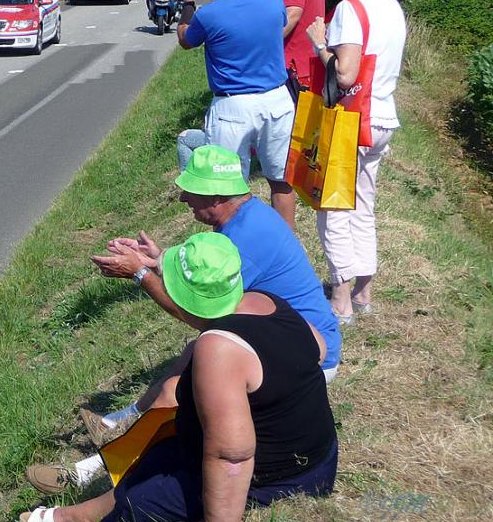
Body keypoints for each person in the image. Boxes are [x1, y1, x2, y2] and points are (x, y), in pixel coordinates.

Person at [25, 145, 341, 495]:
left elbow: (198, 316)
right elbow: (213, 294)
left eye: (190, 191)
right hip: (288, 340)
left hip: (307, 359)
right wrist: (161, 261)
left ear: (217, 196)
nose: (182, 199)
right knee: (194, 354)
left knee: (180, 389)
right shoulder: (248, 219)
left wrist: (141, 275)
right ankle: (118, 423)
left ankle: (93, 470)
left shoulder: (244, 238)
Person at [20, 233, 338, 522]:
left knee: (141, 502)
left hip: (284, 476)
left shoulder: (218, 348)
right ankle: (83, 514)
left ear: (186, 299)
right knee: (158, 454)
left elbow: (232, 455)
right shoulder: (266, 302)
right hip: (320, 452)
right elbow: (319, 348)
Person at [305, 0, 406, 322]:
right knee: (364, 204)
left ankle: (340, 300)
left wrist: (319, 45)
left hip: (352, 121)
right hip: (382, 117)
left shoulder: (350, 9)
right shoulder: (392, 6)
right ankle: (364, 293)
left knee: (334, 208)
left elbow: (345, 75)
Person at [178, 0, 296, 228]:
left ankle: (236, 245)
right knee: (281, 181)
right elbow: (277, 25)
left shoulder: (209, 13)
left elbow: (185, 39)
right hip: (277, 99)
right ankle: (285, 243)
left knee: (227, 186)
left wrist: (188, 2)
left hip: (233, 106)